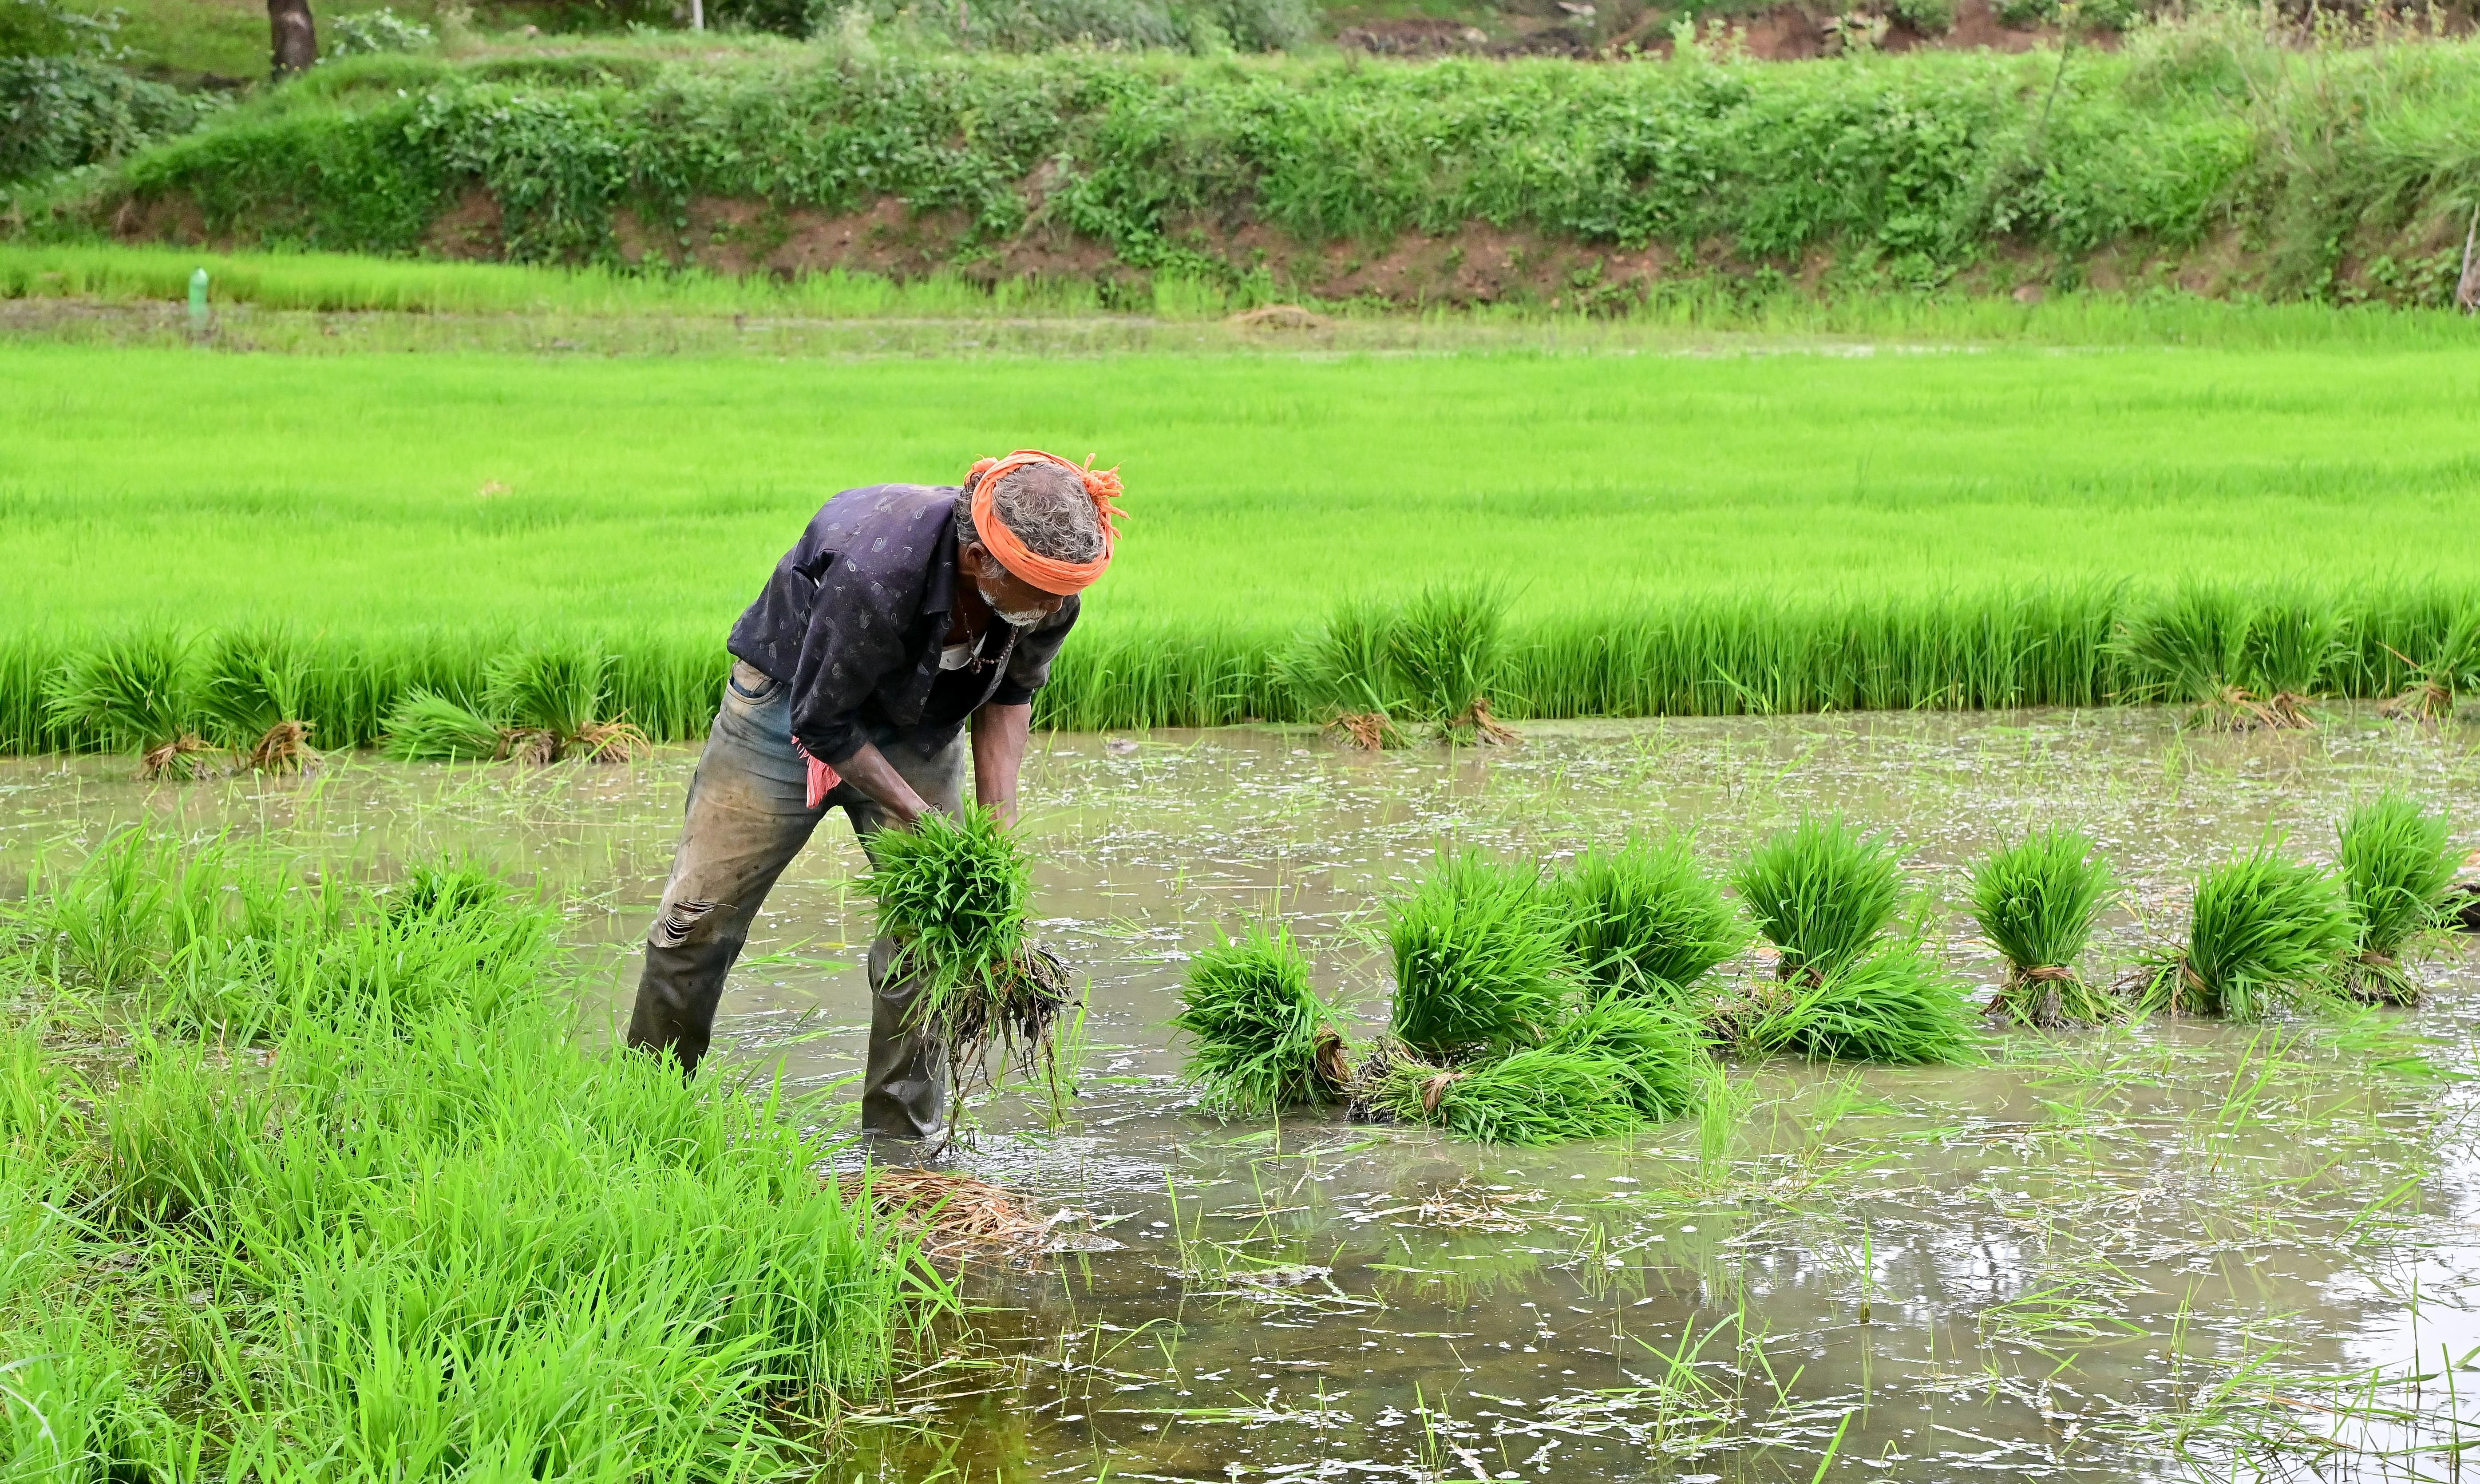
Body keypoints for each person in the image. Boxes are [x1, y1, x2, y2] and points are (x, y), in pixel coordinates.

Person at [627, 449, 1123, 1140]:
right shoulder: (877, 570)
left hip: (922, 723)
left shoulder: (1049, 597)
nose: (1051, 608)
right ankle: (646, 1112)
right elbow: (822, 721)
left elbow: (1010, 694)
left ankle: (899, 1149)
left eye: (1060, 594)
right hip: (784, 714)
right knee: (699, 918)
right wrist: (920, 817)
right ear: (981, 559)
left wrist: (994, 834)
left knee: (932, 937)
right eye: (1036, 591)